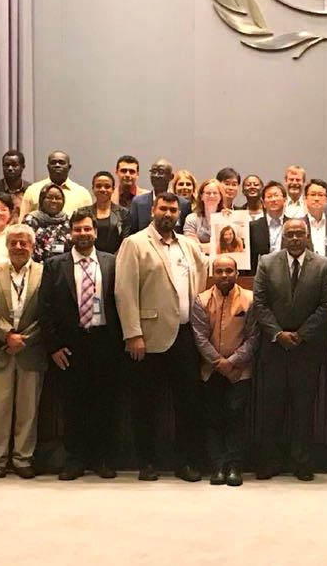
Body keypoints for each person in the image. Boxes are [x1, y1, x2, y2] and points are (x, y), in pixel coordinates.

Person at [115, 193, 208, 482]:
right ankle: (147, 462)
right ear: (153, 210)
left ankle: (186, 463)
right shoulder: (135, 243)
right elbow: (124, 291)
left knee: (189, 404)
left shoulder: (187, 245)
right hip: (148, 336)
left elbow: (203, 278)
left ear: (179, 215)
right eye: (163, 208)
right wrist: (132, 334)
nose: (168, 213)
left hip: (185, 335)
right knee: (146, 404)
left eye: (173, 209)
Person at [40, 209, 122, 480]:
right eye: (78, 229)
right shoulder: (55, 265)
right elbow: (45, 308)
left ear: (95, 232)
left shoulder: (111, 263)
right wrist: (53, 347)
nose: (83, 234)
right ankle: (75, 459)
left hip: (104, 343)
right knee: (73, 405)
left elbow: (121, 303)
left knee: (105, 404)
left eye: (88, 229)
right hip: (70, 345)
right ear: (70, 233)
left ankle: (102, 459)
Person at [252, 218, 327, 480]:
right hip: (274, 348)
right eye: (291, 234)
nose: (296, 238)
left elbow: (326, 305)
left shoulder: (322, 265)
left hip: (306, 349)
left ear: (308, 236)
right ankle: (271, 461)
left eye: (300, 233)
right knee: (272, 409)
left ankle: (302, 462)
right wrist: (278, 333)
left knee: (303, 409)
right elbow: (260, 303)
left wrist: (300, 335)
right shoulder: (266, 262)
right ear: (283, 237)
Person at [0, 224, 46, 478]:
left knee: (28, 410)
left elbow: (46, 313)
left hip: (31, 350)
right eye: (14, 242)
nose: (19, 247)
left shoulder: (43, 273)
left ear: (32, 246)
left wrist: (24, 339)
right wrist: (8, 335)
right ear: (7, 246)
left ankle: (22, 458)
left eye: (24, 243)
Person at [191, 254, 257, 486]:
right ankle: (217, 466)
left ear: (237, 274)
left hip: (240, 372)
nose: (224, 275)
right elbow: (199, 337)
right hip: (210, 370)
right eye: (219, 271)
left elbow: (254, 337)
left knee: (236, 418)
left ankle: (234, 467)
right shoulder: (201, 300)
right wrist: (219, 363)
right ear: (213, 274)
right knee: (213, 418)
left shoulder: (250, 299)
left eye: (229, 271)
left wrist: (233, 362)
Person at [21, 151, 92, 216]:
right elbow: (22, 225)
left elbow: (89, 224)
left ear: (69, 167)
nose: (57, 165)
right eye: (53, 162)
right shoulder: (33, 190)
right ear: (48, 167)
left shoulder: (82, 194)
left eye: (61, 162)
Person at [129, 159, 190, 233]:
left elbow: (184, 234)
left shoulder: (183, 204)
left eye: (161, 172)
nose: (156, 175)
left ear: (171, 177)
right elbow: (132, 232)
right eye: (153, 172)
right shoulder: (138, 202)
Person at [24, 183, 72, 262]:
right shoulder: (30, 220)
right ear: (42, 199)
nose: (54, 201)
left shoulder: (69, 221)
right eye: (49, 197)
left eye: (58, 198)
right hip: (38, 268)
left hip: (63, 268)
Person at [87, 171, 131, 254]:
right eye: (98, 186)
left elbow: (125, 242)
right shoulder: (84, 213)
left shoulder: (123, 213)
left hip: (115, 260)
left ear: (113, 189)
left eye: (107, 186)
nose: (102, 189)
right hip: (89, 260)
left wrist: (112, 260)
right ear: (93, 189)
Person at [248, 181, 288, 262]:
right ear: (263, 203)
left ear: (285, 200)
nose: (273, 200)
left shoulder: (292, 224)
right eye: (269, 196)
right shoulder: (253, 227)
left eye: (276, 196)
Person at [182, 178, 227, 246]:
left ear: (220, 197)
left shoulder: (228, 217)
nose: (211, 196)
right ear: (201, 196)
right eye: (208, 193)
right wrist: (216, 246)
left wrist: (202, 247)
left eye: (215, 193)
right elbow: (191, 247)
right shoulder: (191, 218)